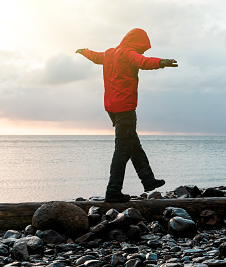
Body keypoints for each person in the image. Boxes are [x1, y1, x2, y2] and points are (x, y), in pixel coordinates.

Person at [76, 28, 177, 203]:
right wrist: (162, 62)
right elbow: (142, 62)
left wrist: (84, 51)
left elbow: (95, 56)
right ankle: (113, 190)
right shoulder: (128, 53)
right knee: (122, 149)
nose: (142, 51)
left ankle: (148, 180)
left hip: (112, 108)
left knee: (132, 144)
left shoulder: (109, 53)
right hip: (125, 108)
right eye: (142, 47)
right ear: (137, 43)